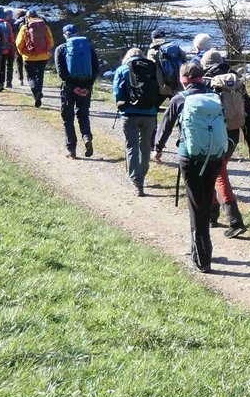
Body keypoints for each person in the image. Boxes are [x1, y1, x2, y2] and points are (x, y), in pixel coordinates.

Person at [155, 61, 230, 272]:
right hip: (214, 156)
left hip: (190, 158)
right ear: (201, 77)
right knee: (205, 200)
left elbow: (166, 125)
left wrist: (158, 148)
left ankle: (202, 258)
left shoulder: (180, 99)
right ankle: (202, 249)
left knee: (196, 207)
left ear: (183, 79)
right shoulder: (214, 97)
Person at [201, 50, 250, 237]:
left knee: (217, 173)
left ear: (205, 64)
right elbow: (248, 111)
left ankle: (234, 221)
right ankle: (212, 216)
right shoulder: (236, 81)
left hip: (214, 135)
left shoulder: (206, 81)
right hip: (233, 135)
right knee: (214, 171)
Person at [112, 47, 165, 196]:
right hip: (150, 114)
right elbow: (160, 89)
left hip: (129, 114)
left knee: (132, 146)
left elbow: (117, 92)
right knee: (145, 145)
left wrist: (121, 104)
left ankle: (137, 181)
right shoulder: (152, 69)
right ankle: (143, 173)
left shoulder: (122, 70)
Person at [53, 23, 103, 159]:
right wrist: (86, 88)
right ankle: (87, 137)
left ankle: (71, 150)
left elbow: (61, 73)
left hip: (69, 89)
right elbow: (95, 69)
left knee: (68, 118)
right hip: (86, 88)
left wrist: (74, 88)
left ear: (65, 35)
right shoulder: (88, 48)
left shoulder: (60, 49)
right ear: (78, 33)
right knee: (83, 115)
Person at [14, 9, 56, 107]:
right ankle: (39, 92)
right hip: (43, 56)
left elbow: (18, 43)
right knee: (40, 75)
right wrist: (46, 50)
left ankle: (36, 93)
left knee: (31, 76)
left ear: (28, 17)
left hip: (29, 57)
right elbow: (51, 41)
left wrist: (22, 53)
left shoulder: (25, 27)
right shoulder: (45, 26)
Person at [0, 8, 16, 91]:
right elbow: (11, 38)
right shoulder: (7, 24)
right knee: (2, 66)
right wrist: (11, 46)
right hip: (5, 50)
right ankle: (1, 83)